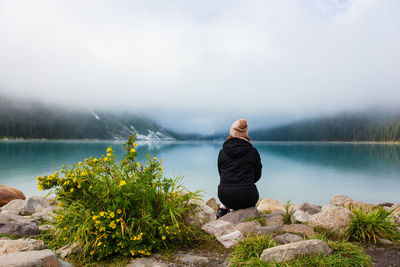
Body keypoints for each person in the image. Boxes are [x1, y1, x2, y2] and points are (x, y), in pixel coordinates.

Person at [216, 119, 262, 218]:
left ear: (232, 132)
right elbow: (257, 176)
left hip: (224, 196)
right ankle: (237, 211)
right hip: (247, 197)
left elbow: (222, 174)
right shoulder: (253, 152)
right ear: (246, 133)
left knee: (230, 192)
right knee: (242, 193)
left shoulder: (222, 152)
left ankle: (223, 209)